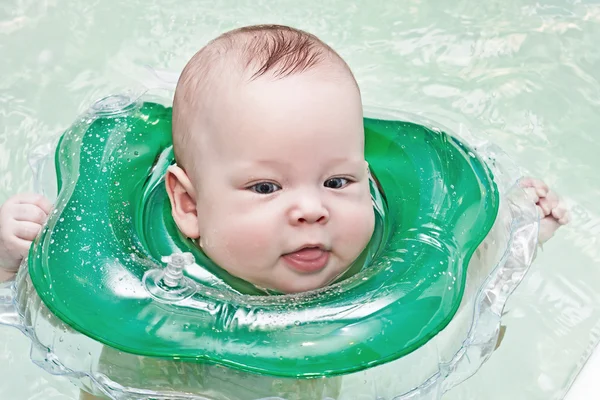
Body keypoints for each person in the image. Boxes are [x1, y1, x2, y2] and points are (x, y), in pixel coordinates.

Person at [0, 24, 570, 399]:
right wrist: (10, 259)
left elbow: (457, 272)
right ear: (189, 205)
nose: (311, 209)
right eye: (267, 187)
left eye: (337, 180)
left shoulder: (376, 271)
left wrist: (519, 232)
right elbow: (31, 308)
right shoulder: (142, 269)